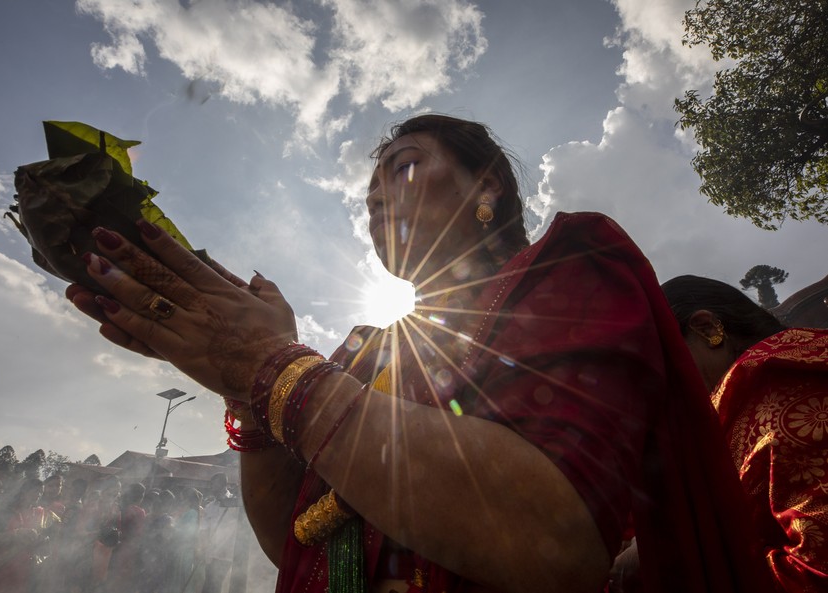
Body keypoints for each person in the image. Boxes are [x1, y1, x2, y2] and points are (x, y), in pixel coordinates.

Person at [66, 114, 772, 593]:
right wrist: (242, 390)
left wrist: (270, 363)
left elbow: (555, 546)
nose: (378, 205)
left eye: (403, 169)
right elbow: (296, 546)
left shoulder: (567, 265)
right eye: (368, 200)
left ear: (487, 185)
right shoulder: (365, 349)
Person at [662, 274, 828, 591]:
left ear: (708, 329)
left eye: (668, 367)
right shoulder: (788, 375)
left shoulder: (782, 407)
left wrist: (683, 563)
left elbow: (815, 573)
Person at [200, 473, 239, 593]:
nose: (212, 488)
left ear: (224, 485)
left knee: (216, 584)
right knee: (208, 584)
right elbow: (204, 529)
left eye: (215, 485)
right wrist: (203, 547)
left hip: (226, 554)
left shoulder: (236, 502)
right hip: (211, 553)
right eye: (211, 485)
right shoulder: (210, 506)